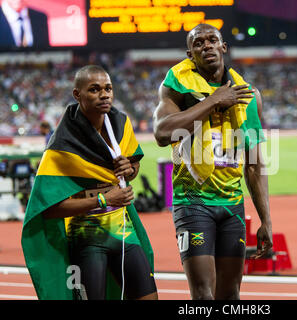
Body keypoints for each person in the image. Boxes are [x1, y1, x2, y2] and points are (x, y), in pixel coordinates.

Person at [153, 23, 273, 300]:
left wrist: (266, 220)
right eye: (198, 43)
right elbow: (161, 133)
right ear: (190, 54)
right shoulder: (176, 85)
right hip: (193, 203)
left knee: (229, 295)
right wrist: (213, 101)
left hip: (232, 205)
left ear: (223, 47)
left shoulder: (249, 95)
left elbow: (254, 163)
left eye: (212, 40)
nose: (206, 45)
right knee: (203, 295)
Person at [21, 65, 157, 300]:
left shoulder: (120, 123)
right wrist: (104, 199)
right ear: (77, 95)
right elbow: (50, 209)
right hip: (87, 237)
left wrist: (130, 168)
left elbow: (132, 166)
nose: (104, 94)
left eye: (108, 89)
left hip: (124, 230)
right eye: (94, 90)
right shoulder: (62, 144)